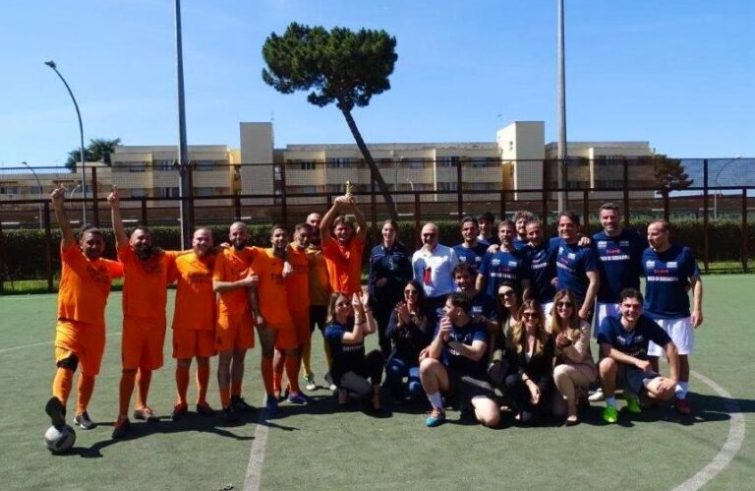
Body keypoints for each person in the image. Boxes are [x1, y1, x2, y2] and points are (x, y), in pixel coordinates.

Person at [45, 186, 123, 433]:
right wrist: (59, 207)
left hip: (96, 328)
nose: (96, 245)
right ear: (80, 244)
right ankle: (59, 405)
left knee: (89, 372)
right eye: (90, 242)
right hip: (69, 323)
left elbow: (131, 264)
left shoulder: (108, 267)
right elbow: (65, 231)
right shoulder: (72, 257)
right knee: (67, 364)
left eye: (99, 242)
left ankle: (81, 412)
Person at [108, 187, 181, 434]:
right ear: (131, 243)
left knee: (147, 366)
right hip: (134, 323)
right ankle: (121, 416)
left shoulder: (162, 258)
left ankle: (141, 405)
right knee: (129, 369)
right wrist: (115, 208)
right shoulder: (128, 258)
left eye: (147, 238)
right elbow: (118, 234)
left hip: (157, 322)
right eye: (139, 238)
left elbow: (188, 253)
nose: (144, 241)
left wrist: (216, 248)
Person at [642, 220, 703, 415]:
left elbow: (696, 281)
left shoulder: (683, 253)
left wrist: (697, 309)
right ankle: (656, 392)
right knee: (651, 356)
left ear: (666, 234)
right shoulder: (645, 254)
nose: (650, 237)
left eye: (654, 234)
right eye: (648, 234)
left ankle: (680, 396)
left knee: (679, 356)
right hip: (651, 315)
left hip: (679, 316)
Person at [597, 288, 681, 423]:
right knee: (606, 364)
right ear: (620, 306)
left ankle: (632, 394)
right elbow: (607, 350)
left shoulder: (646, 323)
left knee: (667, 392)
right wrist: (636, 361)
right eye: (627, 306)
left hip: (637, 373)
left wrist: (674, 379)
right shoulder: (609, 322)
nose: (632, 310)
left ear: (642, 308)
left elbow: (671, 347)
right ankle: (611, 406)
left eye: (636, 306)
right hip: (616, 372)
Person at [589, 202, 645, 403]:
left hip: (630, 303)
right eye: (605, 217)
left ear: (619, 217)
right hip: (604, 301)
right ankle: (604, 386)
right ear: (600, 219)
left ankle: (632, 385)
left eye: (612, 217)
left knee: (633, 343)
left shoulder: (635, 239)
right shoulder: (594, 240)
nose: (609, 221)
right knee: (605, 343)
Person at [419, 292, 500, 428]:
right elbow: (433, 355)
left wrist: (450, 341)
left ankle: (468, 405)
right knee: (426, 364)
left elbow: (476, 354)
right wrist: (440, 334)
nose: (443, 309)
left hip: (476, 381)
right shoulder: (444, 323)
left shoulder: (478, 326)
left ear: (459, 311)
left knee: (492, 419)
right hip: (451, 377)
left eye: (448, 307)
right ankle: (438, 410)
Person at [164, 228, 217, 428]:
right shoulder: (180, 261)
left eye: (206, 239)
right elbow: (163, 277)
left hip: (207, 322)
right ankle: (181, 401)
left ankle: (202, 400)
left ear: (211, 242)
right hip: (184, 323)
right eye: (199, 239)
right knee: (183, 363)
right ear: (192, 241)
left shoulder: (217, 260)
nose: (202, 242)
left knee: (204, 361)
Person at [252, 225, 305, 412]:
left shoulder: (287, 255)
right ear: (271, 239)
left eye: (283, 235)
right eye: (277, 236)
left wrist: (288, 261)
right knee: (268, 354)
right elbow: (252, 287)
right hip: (267, 317)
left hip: (285, 315)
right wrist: (257, 313)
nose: (280, 238)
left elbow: (289, 250)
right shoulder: (261, 256)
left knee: (292, 351)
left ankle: (293, 390)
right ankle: (271, 393)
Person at [211, 222, 259, 422]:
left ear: (247, 235)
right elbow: (216, 286)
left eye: (241, 233)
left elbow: (279, 248)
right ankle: (225, 405)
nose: (238, 237)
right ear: (229, 236)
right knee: (225, 361)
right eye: (234, 234)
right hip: (227, 316)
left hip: (245, 315)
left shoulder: (252, 254)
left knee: (240, 359)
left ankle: (236, 398)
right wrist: (243, 283)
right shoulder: (222, 256)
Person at [324, 292, 384, 412]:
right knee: (366, 392)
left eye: (347, 303)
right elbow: (354, 338)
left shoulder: (352, 321)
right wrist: (357, 313)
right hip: (343, 372)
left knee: (377, 356)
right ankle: (341, 388)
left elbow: (371, 329)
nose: (345, 306)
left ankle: (376, 396)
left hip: (358, 366)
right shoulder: (331, 329)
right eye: (340, 304)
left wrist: (365, 307)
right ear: (333, 309)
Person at [273, 223, 311, 403]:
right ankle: (276, 387)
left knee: (299, 349)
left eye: (308, 236)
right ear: (295, 235)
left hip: (303, 310)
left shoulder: (305, 254)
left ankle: (292, 387)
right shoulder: (286, 250)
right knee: (281, 351)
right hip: (286, 311)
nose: (305, 239)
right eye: (302, 235)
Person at [547, 289, 596, 426]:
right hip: (563, 370)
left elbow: (579, 357)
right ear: (555, 306)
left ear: (574, 307)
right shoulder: (551, 325)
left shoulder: (583, 326)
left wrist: (566, 345)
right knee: (557, 411)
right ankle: (578, 394)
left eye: (568, 304)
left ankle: (572, 409)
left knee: (559, 371)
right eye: (560, 304)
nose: (564, 308)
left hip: (584, 369)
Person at [504, 300, 555, 426]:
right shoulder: (512, 334)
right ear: (521, 315)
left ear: (539, 317)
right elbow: (513, 364)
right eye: (527, 314)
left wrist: (538, 390)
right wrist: (529, 383)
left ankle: (531, 407)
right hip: (521, 379)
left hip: (539, 381)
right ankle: (517, 406)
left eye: (534, 315)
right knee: (511, 380)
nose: (531, 318)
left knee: (528, 420)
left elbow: (547, 369)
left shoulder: (547, 338)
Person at [368, 219, 413, 357]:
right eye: (386, 229)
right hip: (380, 301)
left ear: (396, 232)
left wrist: (389, 280)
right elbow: (371, 278)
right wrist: (370, 297)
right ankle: (387, 361)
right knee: (383, 335)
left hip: (397, 299)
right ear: (382, 231)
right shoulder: (375, 251)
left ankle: (399, 360)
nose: (388, 233)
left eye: (391, 230)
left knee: (398, 331)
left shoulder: (402, 250)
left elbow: (408, 276)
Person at [384, 280, 433, 402]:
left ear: (419, 294)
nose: (410, 295)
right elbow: (388, 334)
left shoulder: (425, 314)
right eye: (407, 292)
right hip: (400, 356)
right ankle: (397, 393)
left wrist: (409, 322)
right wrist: (400, 324)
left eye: (414, 292)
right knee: (393, 370)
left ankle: (416, 392)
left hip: (417, 359)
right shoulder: (397, 312)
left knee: (414, 388)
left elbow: (423, 339)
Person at [304, 212, 334, 391]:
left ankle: (332, 374)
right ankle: (308, 375)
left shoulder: (329, 245)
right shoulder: (297, 249)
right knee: (305, 341)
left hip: (326, 303)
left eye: (318, 221)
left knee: (329, 339)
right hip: (305, 305)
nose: (315, 225)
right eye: (312, 222)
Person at [554, 211, 599, 321]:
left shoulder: (586, 250)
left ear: (577, 227)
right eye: (562, 225)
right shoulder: (559, 243)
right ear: (558, 228)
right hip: (561, 305)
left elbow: (595, 282)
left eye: (570, 225)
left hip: (578, 307)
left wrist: (584, 309)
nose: (565, 228)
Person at [320, 193, 367, 295]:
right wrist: (335, 206)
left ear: (351, 230)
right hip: (336, 296)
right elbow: (323, 228)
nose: (343, 232)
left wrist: (353, 207)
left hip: (354, 296)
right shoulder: (331, 245)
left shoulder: (356, 244)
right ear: (334, 231)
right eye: (340, 229)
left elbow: (363, 227)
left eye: (346, 229)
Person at [412, 222, 459, 316]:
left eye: (432, 235)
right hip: (423, 302)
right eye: (425, 235)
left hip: (444, 302)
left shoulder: (449, 252)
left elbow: (457, 278)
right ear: (421, 236)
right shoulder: (416, 255)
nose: (429, 238)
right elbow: (415, 280)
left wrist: (453, 301)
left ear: (437, 236)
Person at [477, 219, 530, 299]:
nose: (505, 234)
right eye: (502, 231)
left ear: (514, 234)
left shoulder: (521, 257)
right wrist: (478, 299)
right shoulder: (491, 253)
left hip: (511, 302)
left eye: (509, 232)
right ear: (498, 234)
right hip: (491, 302)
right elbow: (480, 278)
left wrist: (524, 301)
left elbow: (526, 285)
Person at [486, 282, 521, 390]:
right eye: (501, 296)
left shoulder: (528, 314)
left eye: (509, 293)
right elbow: (499, 344)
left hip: (528, 362)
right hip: (511, 362)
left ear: (516, 293)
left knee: (512, 381)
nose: (506, 297)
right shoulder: (504, 319)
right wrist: (495, 360)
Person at [522, 219, 557, 314]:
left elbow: (570, 238)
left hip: (551, 300)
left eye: (537, 232)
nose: (535, 236)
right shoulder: (523, 251)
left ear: (542, 231)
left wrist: (581, 237)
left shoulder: (553, 244)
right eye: (531, 233)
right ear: (526, 235)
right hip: (532, 302)